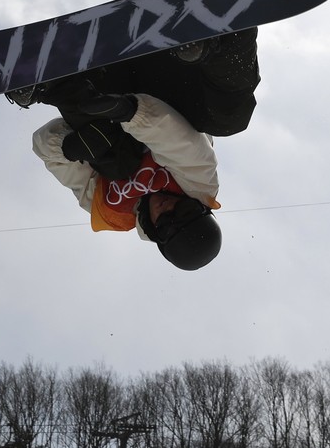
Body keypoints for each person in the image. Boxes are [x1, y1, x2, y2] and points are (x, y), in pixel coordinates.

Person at [25, 29, 260, 271]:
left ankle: (49, 83)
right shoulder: (199, 186)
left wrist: (67, 147)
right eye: (185, 210)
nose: (170, 207)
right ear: (200, 208)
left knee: (115, 163)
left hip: (107, 79)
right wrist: (130, 112)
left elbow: (45, 149)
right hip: (169, 71)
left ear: (156, 232)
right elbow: (181, 144)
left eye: (168, 223)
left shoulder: (111, 210)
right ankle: (224, 39)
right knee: (229, 121)